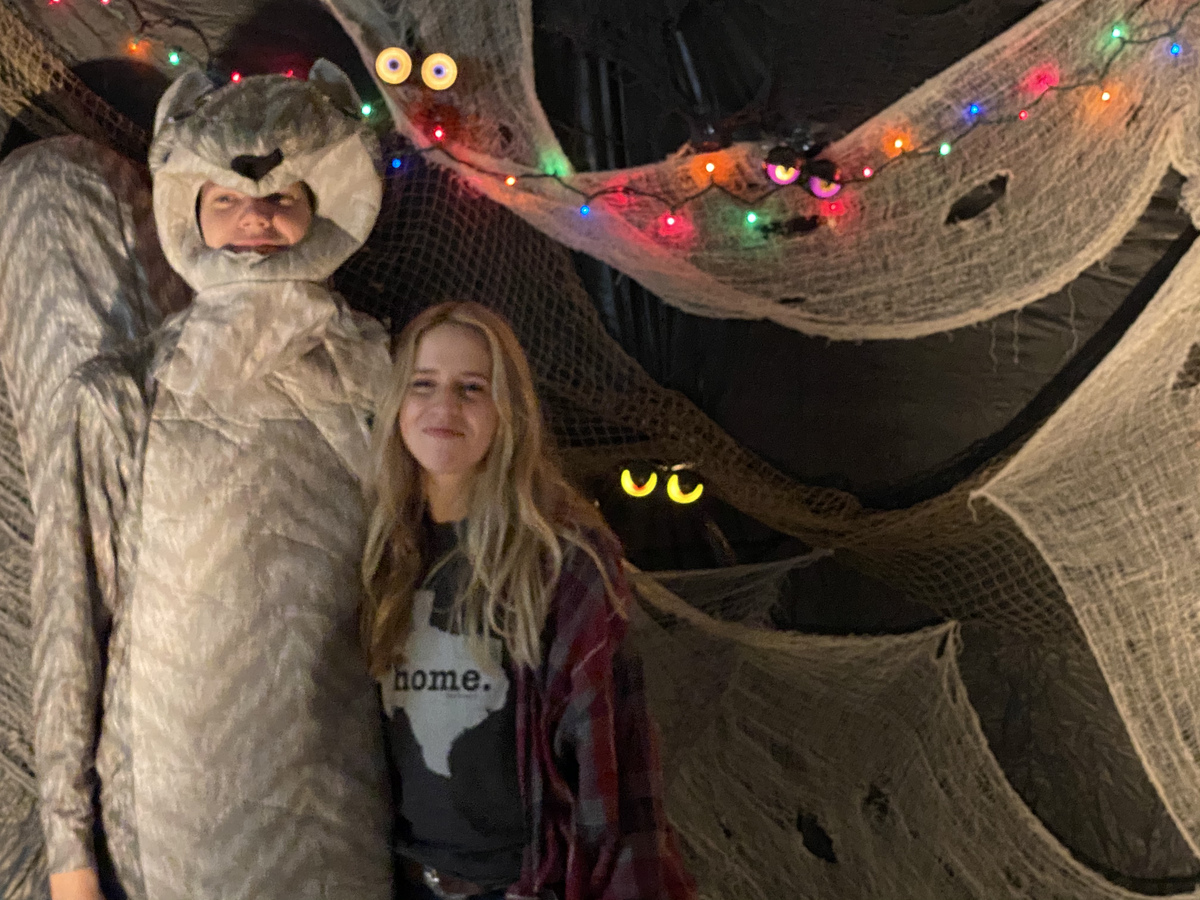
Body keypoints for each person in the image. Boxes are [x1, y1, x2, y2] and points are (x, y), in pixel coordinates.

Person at [0, 61, 393, 900]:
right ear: (190, 208)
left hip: (339, 798)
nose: (255, 214)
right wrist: (68, 850)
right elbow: (70, 611)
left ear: (321, 204)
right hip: (171, 809)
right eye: (227, 197)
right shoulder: (123, 391)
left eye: (280, 196)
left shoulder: (382, 376)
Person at [361, 301, 696, 900]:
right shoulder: (378, 550)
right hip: (396, 880)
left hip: (524, 886)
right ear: (396, 403)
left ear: (507, 410)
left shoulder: (563, 560)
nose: (444, 407)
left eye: (472, 388)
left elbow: (614, 772)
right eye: (423, 384)